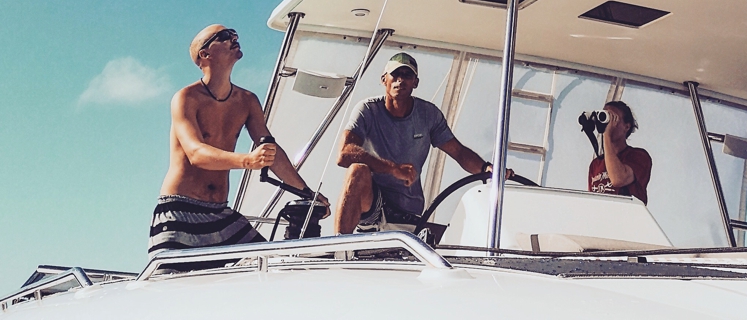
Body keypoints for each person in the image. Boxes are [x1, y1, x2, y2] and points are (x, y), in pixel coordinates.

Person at [149, 24, 328, 253]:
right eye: (224, 36)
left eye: (234, 34)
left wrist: (307, 194)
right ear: (205, 54)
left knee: (266, 264)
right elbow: (196, 153)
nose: (233, 38)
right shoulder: (186, 98)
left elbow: (271, 152)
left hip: (221, 214)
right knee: (171, 278)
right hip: (179, 212)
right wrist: (247, 160)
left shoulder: (247, 101)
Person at [335, 51, 498, 233]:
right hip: (373, 205)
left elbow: (458, 151)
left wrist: (486, 169)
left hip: (407, 214)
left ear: (415, 82)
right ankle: (339, 245)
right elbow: (344, 154)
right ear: (383, 79)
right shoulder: (367, 109)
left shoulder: (429, 114)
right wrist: (392, 168)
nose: (400, 80)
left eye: (407, 75)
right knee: (357, 170)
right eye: (395, 74)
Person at [587, 101, 651, 205]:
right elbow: (591, 200)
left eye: (613, 118)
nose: (608, 123)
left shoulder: (639, 156)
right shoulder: (595, 164)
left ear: (627, 126)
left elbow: (618, 179)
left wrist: (606, 133)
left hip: (626, 213)